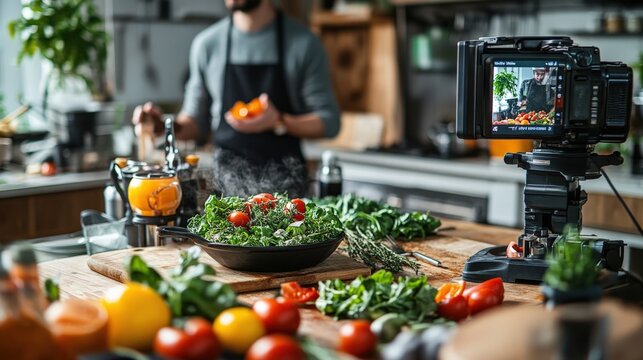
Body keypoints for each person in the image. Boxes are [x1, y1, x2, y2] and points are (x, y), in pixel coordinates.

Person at [132, 0, 340, 198]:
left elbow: (329, 122)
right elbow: (196, 122)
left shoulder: (303, 43)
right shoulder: (207, 45)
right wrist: (162, 126)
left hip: (289, 195)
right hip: (228, 194)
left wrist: (279, 122)